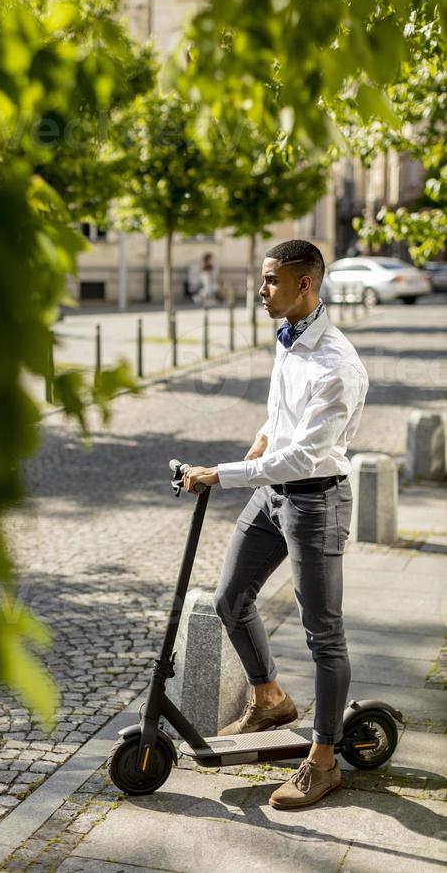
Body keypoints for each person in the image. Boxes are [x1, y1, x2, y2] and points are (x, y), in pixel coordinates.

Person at [182, 239, 368, 810]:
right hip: (270, 493)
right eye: (262, 280)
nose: (260, 291)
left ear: (304, 285)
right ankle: (270, 698)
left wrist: (223, 472)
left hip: (314, 501)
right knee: (229, 598)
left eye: (269, 281)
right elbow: (279, 419)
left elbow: (305, 458)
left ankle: (323, 760)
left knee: (323, 632)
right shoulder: (290, 337)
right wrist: (261, 439)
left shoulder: (337, 366)